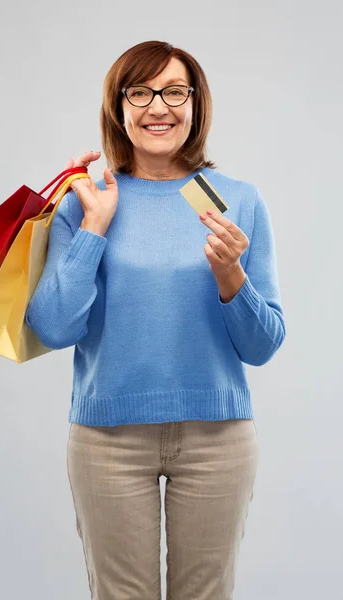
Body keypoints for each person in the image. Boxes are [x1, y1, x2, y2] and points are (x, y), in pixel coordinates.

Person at [25, 40, 286, 600]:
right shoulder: (85, 200)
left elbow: (262, 346)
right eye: (139, 92)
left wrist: (231, 277)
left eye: (174, 91)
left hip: (218, 439)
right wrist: (94, 229)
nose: (157, 107)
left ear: (196, 105)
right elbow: (54, 327)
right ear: (118, 107)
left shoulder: (236, 201)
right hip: (106, 439)